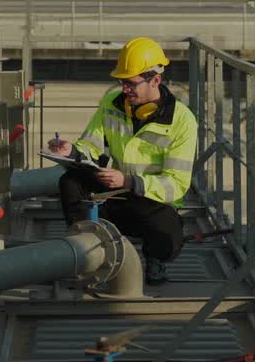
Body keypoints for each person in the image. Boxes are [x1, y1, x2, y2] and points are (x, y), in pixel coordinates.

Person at [47, 37, 196, 285]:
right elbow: (90, 145)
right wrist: (71, 151)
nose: (125, 89)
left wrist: (128, 180)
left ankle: (155, 258)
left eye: (130, 83)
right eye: (121, 82)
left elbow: (176, 184)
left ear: (155, 80)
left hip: (151, 203)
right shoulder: (111, 104)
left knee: (167, 237)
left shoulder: (182, 121)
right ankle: (83, 246)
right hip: (114, 193)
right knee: (71, 181)